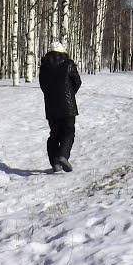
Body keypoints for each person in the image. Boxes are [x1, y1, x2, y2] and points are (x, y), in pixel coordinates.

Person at [38, 41, 81, 173]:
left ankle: (54, 162)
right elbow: (77, 81)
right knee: (68, 131)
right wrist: (70, 93)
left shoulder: (44, 66)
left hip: (51, 106)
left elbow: (43, 85)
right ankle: (63, 156)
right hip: (68, 106)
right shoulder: (68, 64)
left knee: (54, 134)